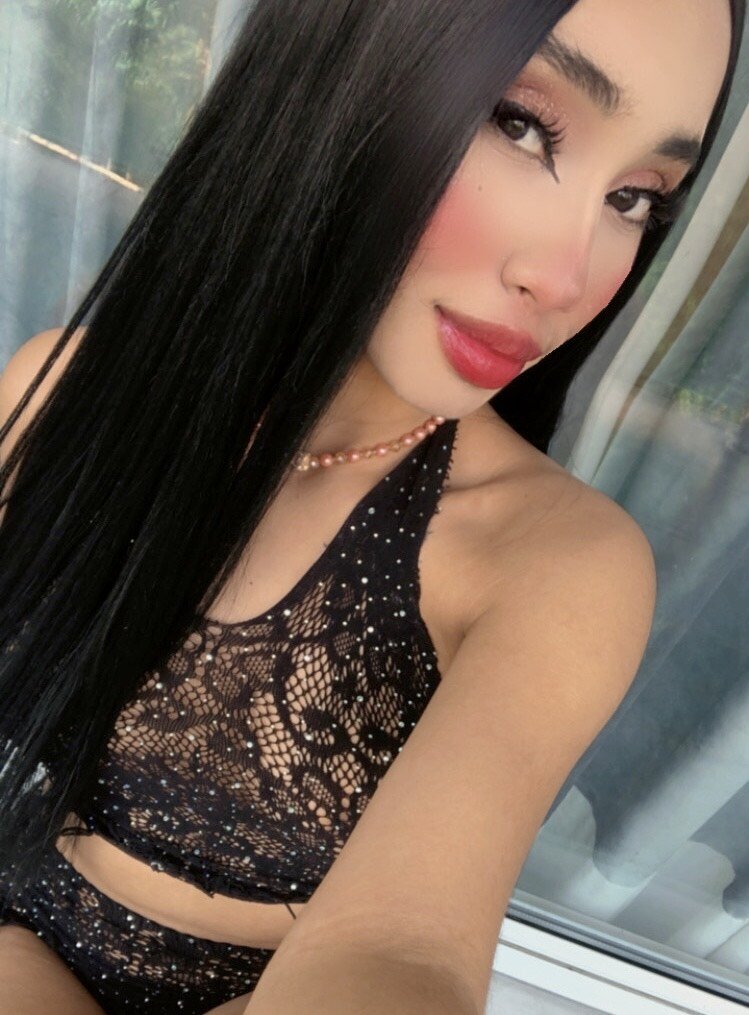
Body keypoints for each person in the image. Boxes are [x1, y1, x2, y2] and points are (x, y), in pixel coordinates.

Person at [0, 0, 743, 1012]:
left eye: (633, 197)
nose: (566, 277)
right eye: (520, 124)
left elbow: (403, 950)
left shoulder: (551, 563)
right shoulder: (63, 395)